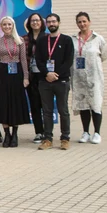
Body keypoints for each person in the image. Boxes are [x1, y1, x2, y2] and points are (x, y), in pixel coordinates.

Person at [36, 14, 74, 151]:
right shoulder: (41, 40)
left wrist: (56, 74)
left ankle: (65, 138)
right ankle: (47, 139)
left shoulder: (67, 40)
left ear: (59, 22)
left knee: (63, 110)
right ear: (46, 24)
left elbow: (68, 61)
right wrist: (47, 73)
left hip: (61, 80)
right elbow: (38, 60)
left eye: (54, 21)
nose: (51, 24)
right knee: (47, 111)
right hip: (45, 81)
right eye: (49, 22)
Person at [0, 17, 30, 148]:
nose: (7, 27)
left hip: (16, 73)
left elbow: (24, 60)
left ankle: (15, 134)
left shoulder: (20, 41)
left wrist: (25, 77)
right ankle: (6, 134)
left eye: (9, 24)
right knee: (3, 103)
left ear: (13, 26)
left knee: (15, 103)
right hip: (3, 73)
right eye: (4, 25)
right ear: (1, 27)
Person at [72, 12, 105, 145]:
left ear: (89, 22)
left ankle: (97, 132)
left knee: (95, 104)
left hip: (94, 77)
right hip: (78, 78)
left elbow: (104, 55)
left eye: (84, 21)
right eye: (79, 22)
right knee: (83, 106)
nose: (82, 24)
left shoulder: (98, 39)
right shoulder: (73, 39)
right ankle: (86, 132)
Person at [23, 13, 47, 143]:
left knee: (46, 105)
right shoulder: (25, 39)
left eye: (37, 20)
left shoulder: (47, 38)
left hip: (45, 75)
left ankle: (47, 132)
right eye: (32, 21)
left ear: (41, 22)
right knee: (35, 105)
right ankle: (39, 132)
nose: (35, 23)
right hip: (31, 76)